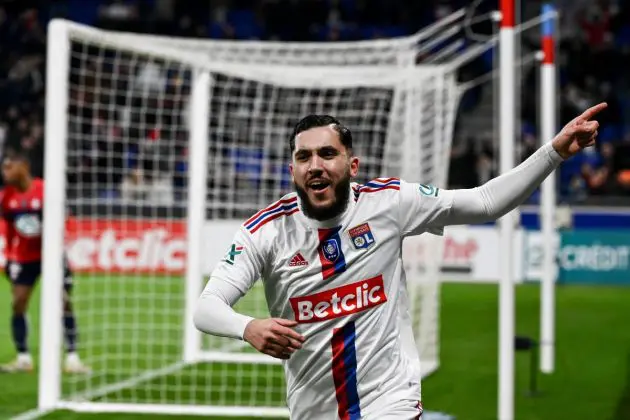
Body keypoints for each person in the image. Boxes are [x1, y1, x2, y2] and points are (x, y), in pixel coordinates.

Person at [194, 103, 607, 419]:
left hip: (391, 399)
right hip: (313, 408)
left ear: (351, 166)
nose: (315, 165)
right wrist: (247, 327)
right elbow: (206, 307)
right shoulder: (265, 231)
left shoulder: (390, 202)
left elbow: (484, 201)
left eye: (327, 153)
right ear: (292, 170)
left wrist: (554, 152)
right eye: (304, 157)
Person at [0, 149, 90, 374]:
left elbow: (65, 218)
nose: (6, 172)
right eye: (4, 168)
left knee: (63, 301)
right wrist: (8, 257)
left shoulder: (45, 190)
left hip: (51, 256)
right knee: (18, 303)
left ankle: (72, 358)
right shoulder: (7, 196)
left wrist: (60, 247)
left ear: (25, 168)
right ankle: (23, 358)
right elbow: (7, 228)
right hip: (23, 257)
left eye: (10, 167)